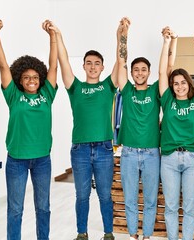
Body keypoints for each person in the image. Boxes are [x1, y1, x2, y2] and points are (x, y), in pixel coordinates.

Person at [48, 20, 120, 240]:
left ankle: (108, 234)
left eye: (96, 63)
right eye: (88, 63)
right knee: (82, 196)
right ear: (84, 66)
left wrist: (121, 36)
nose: (92, 66)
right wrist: (58, 35)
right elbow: (63, 60)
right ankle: (82, 233)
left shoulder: (108, 86)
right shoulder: (76, 87)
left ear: (102, 66)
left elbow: (121, 60)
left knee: (105, 196)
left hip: (104, 149)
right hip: (79, 150)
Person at [0, 19, 58, 240]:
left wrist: (52, 37)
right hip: (17, 160)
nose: (32, 80)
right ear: (20, 79)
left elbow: (54, 66)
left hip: (42, 161)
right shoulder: (14, 96)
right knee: (15, 210)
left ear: (40, 79)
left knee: (44, 209)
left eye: (35, 77)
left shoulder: (47, 95)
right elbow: (2, 65)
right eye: (27, 77)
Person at [116, 18, 162, 240]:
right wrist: (123, 36)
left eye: (144, 69)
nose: (140, 72)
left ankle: (147, 236)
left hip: (153, 153)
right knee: (131, 199)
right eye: (136, 69)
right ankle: (133, 235)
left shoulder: (155, 92)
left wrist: (167, 42)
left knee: (151, 200)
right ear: (132, 73)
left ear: (149, 72)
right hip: (129, 153)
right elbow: (121, 60)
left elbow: (166, 72)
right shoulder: (126, 91)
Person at [158, 28, 194, 240]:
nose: (179, 86)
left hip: (193, 159)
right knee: (170, 206)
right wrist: (166, 42)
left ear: (189, 83)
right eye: (175, 83)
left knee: (189, 207)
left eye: (183, 82)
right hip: (168, 158)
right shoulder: (167, 100)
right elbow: (161, 73)